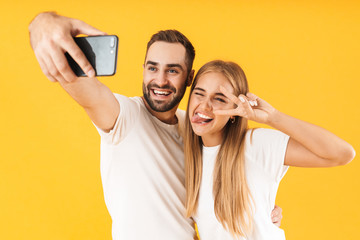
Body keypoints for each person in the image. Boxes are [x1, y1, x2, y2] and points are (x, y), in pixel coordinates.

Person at [28, 12, 283, 239]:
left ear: (189, 78)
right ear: (143, 70)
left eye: (172, 71)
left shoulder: (196, 129)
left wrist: (260, 211)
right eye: (153, 68)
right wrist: (42, 25)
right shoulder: (124, 117)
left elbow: (229, 175)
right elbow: (79, 86)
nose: (160, 80)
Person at [183, 60, 356, 240]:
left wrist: (273, 117)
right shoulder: (187, 158)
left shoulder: (255, 144)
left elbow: (342, 154)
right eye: (199, 94)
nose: (204, 106)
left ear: (235, 110)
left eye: (219, 98)